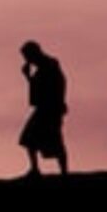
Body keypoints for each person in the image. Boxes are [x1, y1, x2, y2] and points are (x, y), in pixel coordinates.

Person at [20, 40, 69, 176]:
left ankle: (64, 172)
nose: (26, 59)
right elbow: (37, 90)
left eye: (27, 56)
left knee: (54, 140)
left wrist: (60, 102)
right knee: (29, 138)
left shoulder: (50, 64)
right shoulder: (43, 67)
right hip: (44, 108)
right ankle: (35, 169)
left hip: (50, 109)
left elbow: (59, 84)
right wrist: (28, 77)